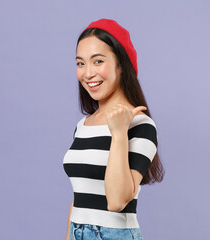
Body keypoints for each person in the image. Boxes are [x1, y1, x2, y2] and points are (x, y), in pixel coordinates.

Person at [63, 18, 165, 240]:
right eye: (80, 63)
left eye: (98, 61)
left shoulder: (142, 126)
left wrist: (119, 133)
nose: (87, 73)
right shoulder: (83, 126)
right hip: (77, 231)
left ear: (122, 64)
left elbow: (117, 201)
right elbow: (79, 196)